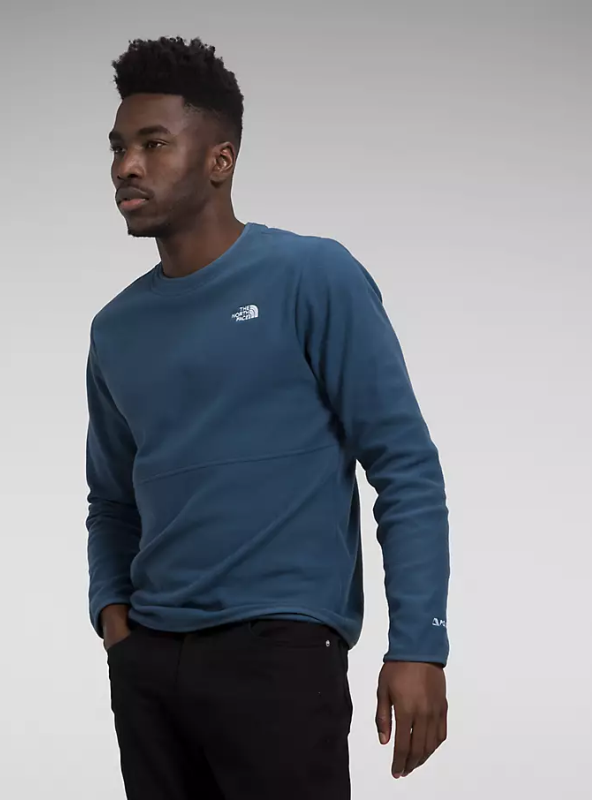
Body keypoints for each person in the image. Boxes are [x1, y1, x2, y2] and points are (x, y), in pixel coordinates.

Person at [85, 35, 450, 800]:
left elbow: (403, 466)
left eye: (154, 143)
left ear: (219, 159)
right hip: (150, 662)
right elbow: (112, 500)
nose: (126, 166)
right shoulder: (115, 329)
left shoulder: (310, 276)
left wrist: (418, 645)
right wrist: (114, 619)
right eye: (118, 147)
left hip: (278, 651)